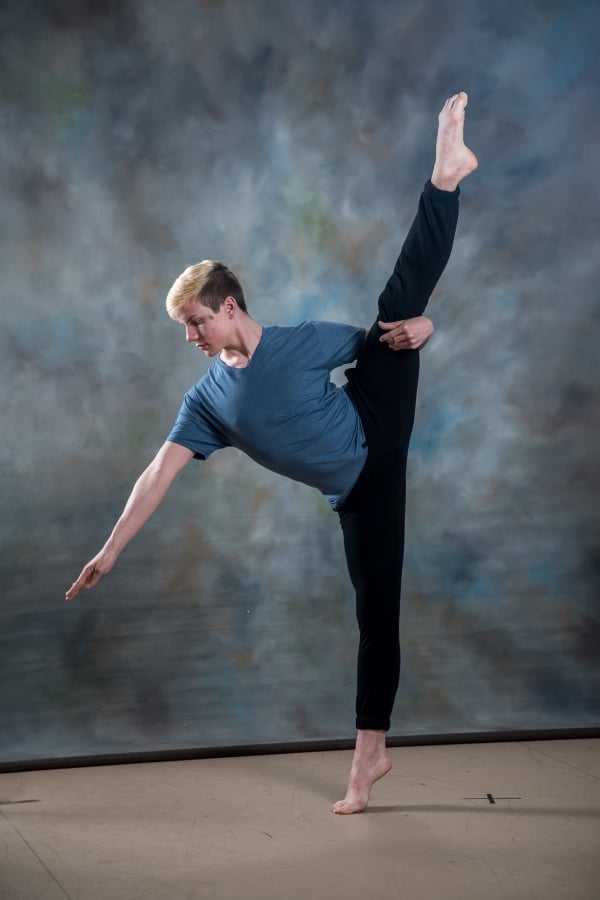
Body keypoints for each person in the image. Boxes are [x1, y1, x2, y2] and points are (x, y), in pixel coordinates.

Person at [67, 92, 478, 814]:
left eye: (195, 321)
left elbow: (380, 343)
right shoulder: (208, 404)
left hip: (375, 412)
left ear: (228, 306)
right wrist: (110, 550)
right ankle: (369, 761)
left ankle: (445, 176)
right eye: (184, 328)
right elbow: (156, 475)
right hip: (362, 491)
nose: (190, 337)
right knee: (376, 616)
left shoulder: (295, 343)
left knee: (394, 308)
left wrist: (426, 328)